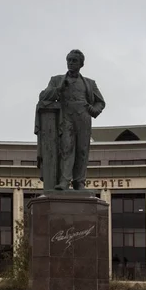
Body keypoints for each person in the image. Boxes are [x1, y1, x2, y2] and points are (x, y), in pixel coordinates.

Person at [38, 49, 105, 190]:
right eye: (69, 60)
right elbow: (44, 96)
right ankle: (64, 181)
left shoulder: (89, 83)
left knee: (82, 150)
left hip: (83, 117)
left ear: (81, 64)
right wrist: (59, 89)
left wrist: (93, 110)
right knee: (66, 149)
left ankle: (79, 182)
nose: (71, 63)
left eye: (74, 61)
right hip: (66, 117)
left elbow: (101, 102)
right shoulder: (56, 80)